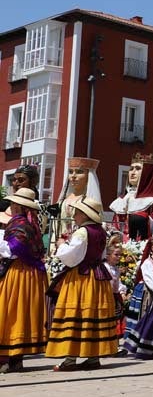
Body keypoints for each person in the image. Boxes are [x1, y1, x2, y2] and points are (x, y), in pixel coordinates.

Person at [46, 197, 118, 371]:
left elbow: (71, 257)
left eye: (77, 212)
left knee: (76, 314)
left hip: (81, 278)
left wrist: (61, 245)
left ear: (84, 214)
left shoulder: (82, 232)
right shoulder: (100, 231)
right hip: (98, 277)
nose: (74, 216)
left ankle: (70, 359)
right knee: (92, 316)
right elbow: (100, 255)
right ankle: (93, 357)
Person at [0, 188, 47, 373]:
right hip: (31, 274)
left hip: (19, 272)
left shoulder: (20, 223)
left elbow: (14, 249)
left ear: (19, 206)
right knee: (21, 313)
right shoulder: (32, 223)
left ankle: (5, 358)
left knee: (9, 312)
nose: (11, 206)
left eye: (13, 203)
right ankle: (15, 359)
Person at [123, 235, 153, 354]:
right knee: (144, 315)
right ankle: (139, 343)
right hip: (148, 292)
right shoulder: (147, 263)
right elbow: (150, 279)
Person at [110, 153, 153, 241]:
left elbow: (152, 229)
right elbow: (115, 225)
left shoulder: (150, 201)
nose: (133, 172)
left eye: (138, 169)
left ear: (146, 173)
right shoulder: (121, 200)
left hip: (139, 244)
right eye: (131, 169)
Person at [55, 158, 104, 242]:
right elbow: (56, 225)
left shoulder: (90, 202)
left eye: (79, 172)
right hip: (60, 243)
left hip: (80, 243)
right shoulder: (63, 200)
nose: (73, 176)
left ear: (89, 175)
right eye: (70, 172)